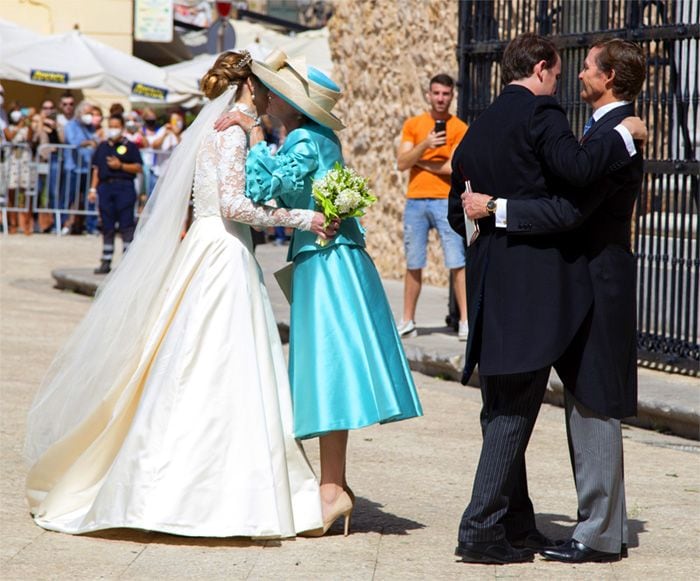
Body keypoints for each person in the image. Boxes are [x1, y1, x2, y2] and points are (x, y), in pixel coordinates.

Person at [24, 50, 338, 538]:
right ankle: (206, 493)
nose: (277, 97)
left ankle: (175, 483)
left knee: (195, 363)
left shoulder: (219, 129)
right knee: (220, 366)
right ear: (252, 88)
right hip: (225, 252)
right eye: (270, 88)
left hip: (206, 247)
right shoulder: (232, 131)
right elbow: (236, 204)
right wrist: (305, 217)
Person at [446, 33, 644, 565]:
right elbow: (573, 187)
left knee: (515, 406)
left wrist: (484, 212)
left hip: (501, 287)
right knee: (511, 411)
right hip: (536, 290)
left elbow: (455, 212)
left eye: (584, 69)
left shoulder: (480, 122)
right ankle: (486, 525)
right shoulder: (545, 115)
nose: (568, 77)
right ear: (539, 68)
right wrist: (624, 135)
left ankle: (514, 522)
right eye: (559, 71)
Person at [216, 50, 423, 536]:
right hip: (330, 255)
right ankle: (336, 485)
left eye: (273, 92)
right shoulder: (314, 137)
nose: (266, 97)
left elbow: (263, 186)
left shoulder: (306, 138)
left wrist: (250, 134)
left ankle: (332, 490)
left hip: (325, 258)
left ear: (289, 103)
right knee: (326, 366)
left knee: (326, 368)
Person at [396, 74, 469, 340]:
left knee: (457, 260)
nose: (440, 98)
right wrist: (426, 145)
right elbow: (402, 162)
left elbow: (453, 167)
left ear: (452, 96)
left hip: (444, 201)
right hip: (415, 201)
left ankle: (464, 321)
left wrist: (421, 161)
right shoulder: (414, 125)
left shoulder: (460, 128)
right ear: (428, 94)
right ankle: (407, 320)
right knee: (413, 261)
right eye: (436, 93)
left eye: (445, 94)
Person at [88, 114, 143, 274]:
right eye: (110, 126)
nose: (113, 129)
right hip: (105, 188)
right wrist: (93, 189)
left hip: (124, 187)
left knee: (126, 226)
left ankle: (127, 262)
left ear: (122, 128)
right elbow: (97, 169)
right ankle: (106, 260)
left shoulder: (130, 146)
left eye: (116, 126)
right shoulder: (103, 146)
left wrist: (121, 166)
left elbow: (138, 168)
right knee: (107, 226)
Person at [62, 101, 97, 234]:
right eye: (87, 113)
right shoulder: (71, 125)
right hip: (73, 167)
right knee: (69, 198)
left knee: (90, 198)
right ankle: (63, 224)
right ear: (80, 112)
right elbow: (73, 142)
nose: (89, 116)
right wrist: (89, 142)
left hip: (87, 168)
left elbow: (96, 141)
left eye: (91, 113)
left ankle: (90, 227)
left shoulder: (91, 128)